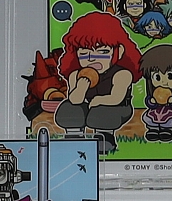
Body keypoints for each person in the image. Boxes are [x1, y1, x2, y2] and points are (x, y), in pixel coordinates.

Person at [53, 12, 141, 154]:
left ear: (118, 52)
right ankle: (74, 135)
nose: (92, 58)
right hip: (89, 106)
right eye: (84, 54)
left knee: (102, 111)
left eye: (103, 52)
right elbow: (74, 99)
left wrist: (99, 100)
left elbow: (116, 98)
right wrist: (82, 85)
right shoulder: (76, 75)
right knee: (69, 107)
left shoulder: (122, 74)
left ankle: (104, 137)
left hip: (117, 107)